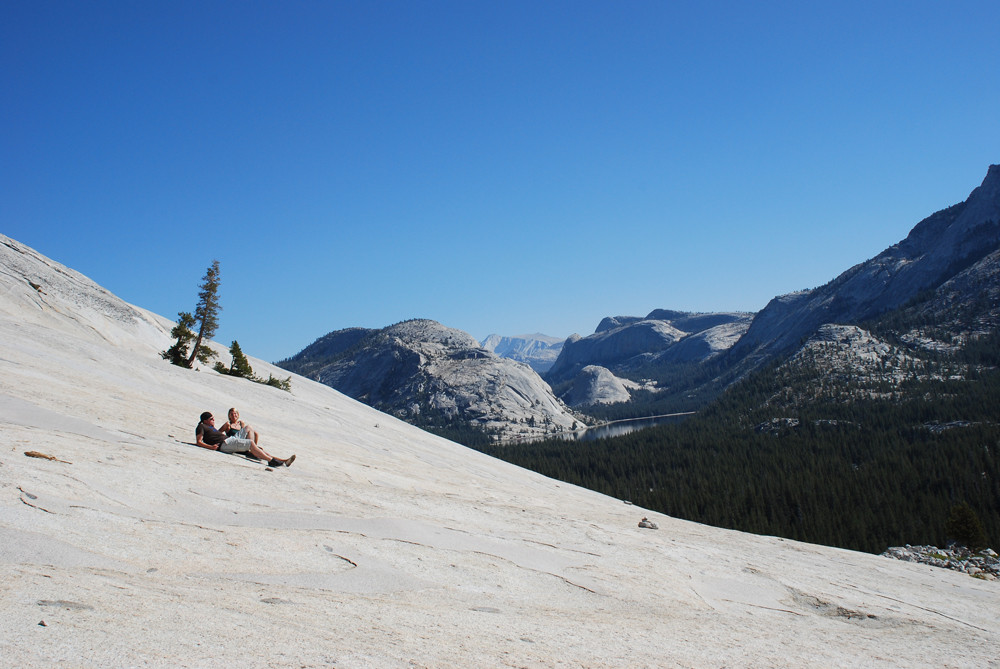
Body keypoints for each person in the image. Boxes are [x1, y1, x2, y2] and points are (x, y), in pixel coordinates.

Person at [195, 411, 295, 468]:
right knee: (251, 443)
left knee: (248, 427)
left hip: (230, 440)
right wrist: (211, 447)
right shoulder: (202, 427)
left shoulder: (212, 428)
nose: (214, 420)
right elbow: (198, 441)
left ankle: (253, 451)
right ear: (205, 421)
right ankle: (271, 460)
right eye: (211, 419)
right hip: (224, 444)